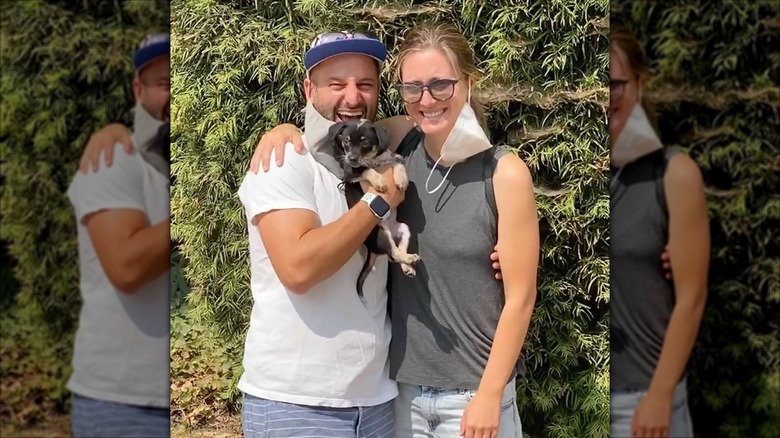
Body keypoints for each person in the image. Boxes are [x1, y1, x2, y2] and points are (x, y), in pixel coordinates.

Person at [253, 23, 538, 438]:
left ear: (469, 83)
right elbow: (336, 130)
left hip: (470, 398)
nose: (427, 100)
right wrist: (282, 131)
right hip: (399, 396)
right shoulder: (399, 150)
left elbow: (522, 297)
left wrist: (490, 395)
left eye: (441, 84)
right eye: (413, 88)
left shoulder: (503, 172)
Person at [65, 33, 171, 437]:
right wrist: (195, 206)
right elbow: (127, 267)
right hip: (125, 405)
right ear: (138, 90)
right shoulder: (112, 158)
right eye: (164, 84)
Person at [609, 24, 709, 438]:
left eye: (613, 84)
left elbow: (692, 297)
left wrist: (660, 394)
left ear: (640, 84)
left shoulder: (674, 174)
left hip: (644, 404)